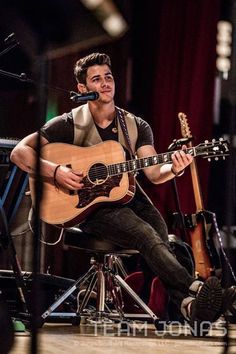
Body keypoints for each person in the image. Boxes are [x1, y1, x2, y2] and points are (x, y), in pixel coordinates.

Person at [10, 52, 233, 336]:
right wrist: (56, 172)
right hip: (87, 207)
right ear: (82, 88)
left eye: (108, 77)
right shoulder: (67, 123)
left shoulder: (135, 126)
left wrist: (175, 168)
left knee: (159, 230)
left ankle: (189, 305)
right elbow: (20, 152)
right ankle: (195, 288)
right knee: (145, 234)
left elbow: (154, 172)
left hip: (128, 196)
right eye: (96, 79)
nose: (105, 84)